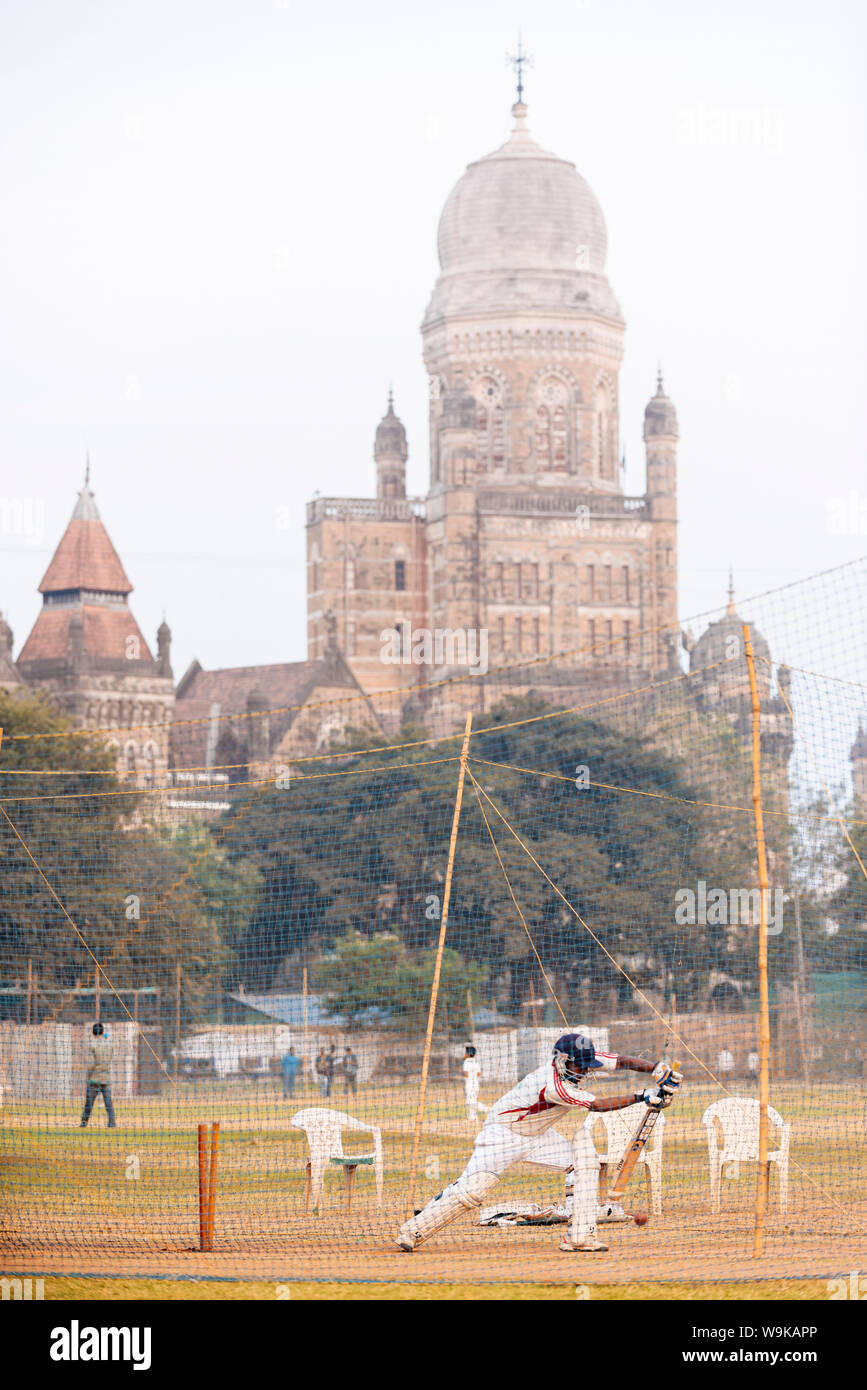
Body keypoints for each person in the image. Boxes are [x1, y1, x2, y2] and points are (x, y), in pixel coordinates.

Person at [395, 1033, 681, 1254]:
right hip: (503, 1135)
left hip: (538, 1136)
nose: (582, 1071)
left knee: (583, 1162)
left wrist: (656, 1068)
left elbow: (621, 1061)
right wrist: (642, 1095)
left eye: (585, 1066)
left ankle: (579, 1235)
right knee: (473, 1192)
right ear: (561, 1060)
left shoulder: (580, 1058)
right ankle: (413, 1231)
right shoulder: (553, 1085)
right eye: (577, 1066)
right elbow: (598, 1105)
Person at [80, 1022, 117, 1129]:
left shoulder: (92, 1046)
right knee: (109, 1104)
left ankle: (84, 1123)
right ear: (103, 1032)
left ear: (92, 1033)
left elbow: (91, 1065)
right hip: (106, 1078)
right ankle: (112, 1124)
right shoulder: (109, 1045)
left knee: (89, 1105)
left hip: (94, 1079)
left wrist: (88, 1077)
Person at [462, 1045, 487, 1123]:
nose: (464, 1054)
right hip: (476, 1084)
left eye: (465, 1053)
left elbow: (466, 1074)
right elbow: (479, 1073)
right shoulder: (476, 1061)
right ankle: (472, 1118)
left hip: (469, 1084)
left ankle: (486, 1109)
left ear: (468, 1054)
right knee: (472, 1100)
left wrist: (467, 1077)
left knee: (470, 1102)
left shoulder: (466, 1061)